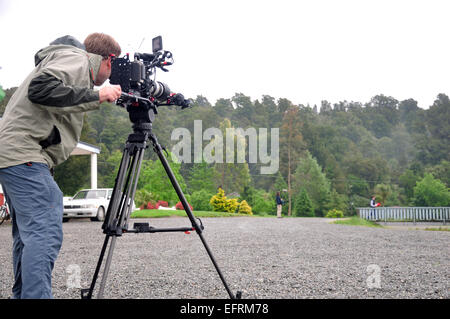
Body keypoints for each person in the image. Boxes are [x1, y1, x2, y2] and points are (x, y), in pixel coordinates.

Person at [0, 33, 122, 299]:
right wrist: (97, 95)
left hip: (14, 154)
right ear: (107, 60)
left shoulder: (63, 58)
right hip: (24, 154)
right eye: (113, 66)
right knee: (43, 231)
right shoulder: (77, 59)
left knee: (29, 235)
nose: (111, 75)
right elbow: (41, 89)